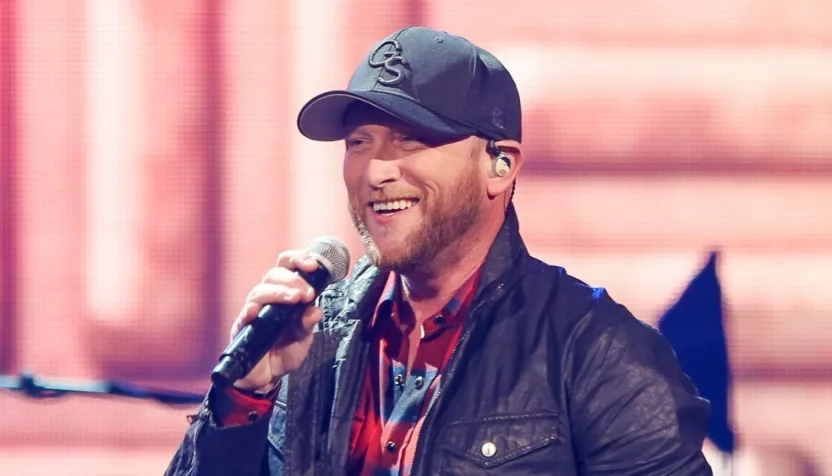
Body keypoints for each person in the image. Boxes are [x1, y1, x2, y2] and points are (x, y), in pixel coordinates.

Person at [166, 26, 713, 476]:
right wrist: (243, 400)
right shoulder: (307, 336)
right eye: (360, 142)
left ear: (500, 165)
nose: (377, 170)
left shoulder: (595, 353)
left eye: (410, 139)